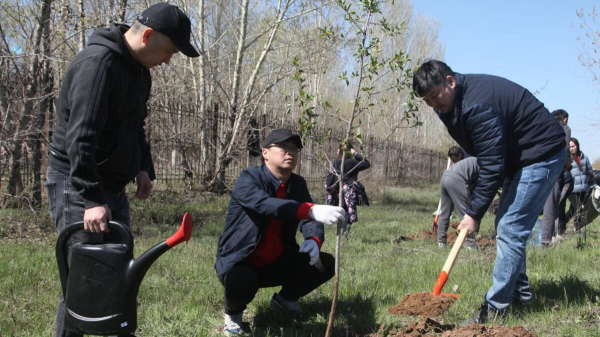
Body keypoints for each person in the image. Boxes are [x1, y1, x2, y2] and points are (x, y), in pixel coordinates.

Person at [45, 4, 200, 337]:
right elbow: (80, 137)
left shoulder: (139, 71)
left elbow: (135, 126)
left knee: (118, 275)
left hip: (110, 185)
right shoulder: (97, 66)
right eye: (170, 50)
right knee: (84, 278)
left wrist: (143, 167)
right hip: (78, 183)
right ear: (147, 35)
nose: (169, 60)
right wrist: (90, 198)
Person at [413, 60, 566, 324]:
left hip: (541, 153)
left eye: (436, 96)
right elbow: (484, 152)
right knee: (507, 224)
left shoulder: (476, 105)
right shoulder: (451, 105)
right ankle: (521, 294)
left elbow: (492, 164)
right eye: (428, 101)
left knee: (510, 227)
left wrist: (473, 214)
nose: (434, 105)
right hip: (518, 158)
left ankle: (494, 309)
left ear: (451, 81)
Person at [215, 129, 345, 336]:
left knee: (326, 264)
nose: (290, 152)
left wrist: (313, 239)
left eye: (294, 148)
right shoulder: (248, 178)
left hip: (277, 260)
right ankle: (233, 314)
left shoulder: (297, 184)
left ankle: (283, 301)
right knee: (241, 281)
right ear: (265, 152)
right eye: (283, 146)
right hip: (242, 260)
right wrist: (310, 210)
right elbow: (265, 204)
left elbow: (307, 218)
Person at [541, 109, 573, 245]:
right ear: (564, 119)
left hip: (535, 168)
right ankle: (546, 241)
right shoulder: (564, 128)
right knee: (551, 206)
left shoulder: (543, 127)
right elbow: (564, 148)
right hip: (553, 170)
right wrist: (566, 165)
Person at [325, 143, 371, 234]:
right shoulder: (353, 162)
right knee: (348, 213)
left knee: (343, 211)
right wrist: (356, 154)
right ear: (350, 151)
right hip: (349, 191)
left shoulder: (336, 162)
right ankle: (344, 233)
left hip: (337, 190)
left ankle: (342, 233)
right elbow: (367, 164)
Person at [437, 156, 479, 250]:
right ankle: (470, 244)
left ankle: (441, 242)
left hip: (445, 177)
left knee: (445, 213)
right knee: (467, 214)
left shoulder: (473, 160)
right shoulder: (485, 166)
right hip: (457, 180)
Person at [567, 137, 594, 231]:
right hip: (572, 189)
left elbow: (590, 171)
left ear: (577, 146)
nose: (571, 148)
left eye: (573, 146)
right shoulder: (567, 158)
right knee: (578, 208)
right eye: (570, 147)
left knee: (572, 210)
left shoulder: (584, 157)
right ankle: (577, 228)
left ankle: (560, 227)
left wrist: (590, 176)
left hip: (583, 189)